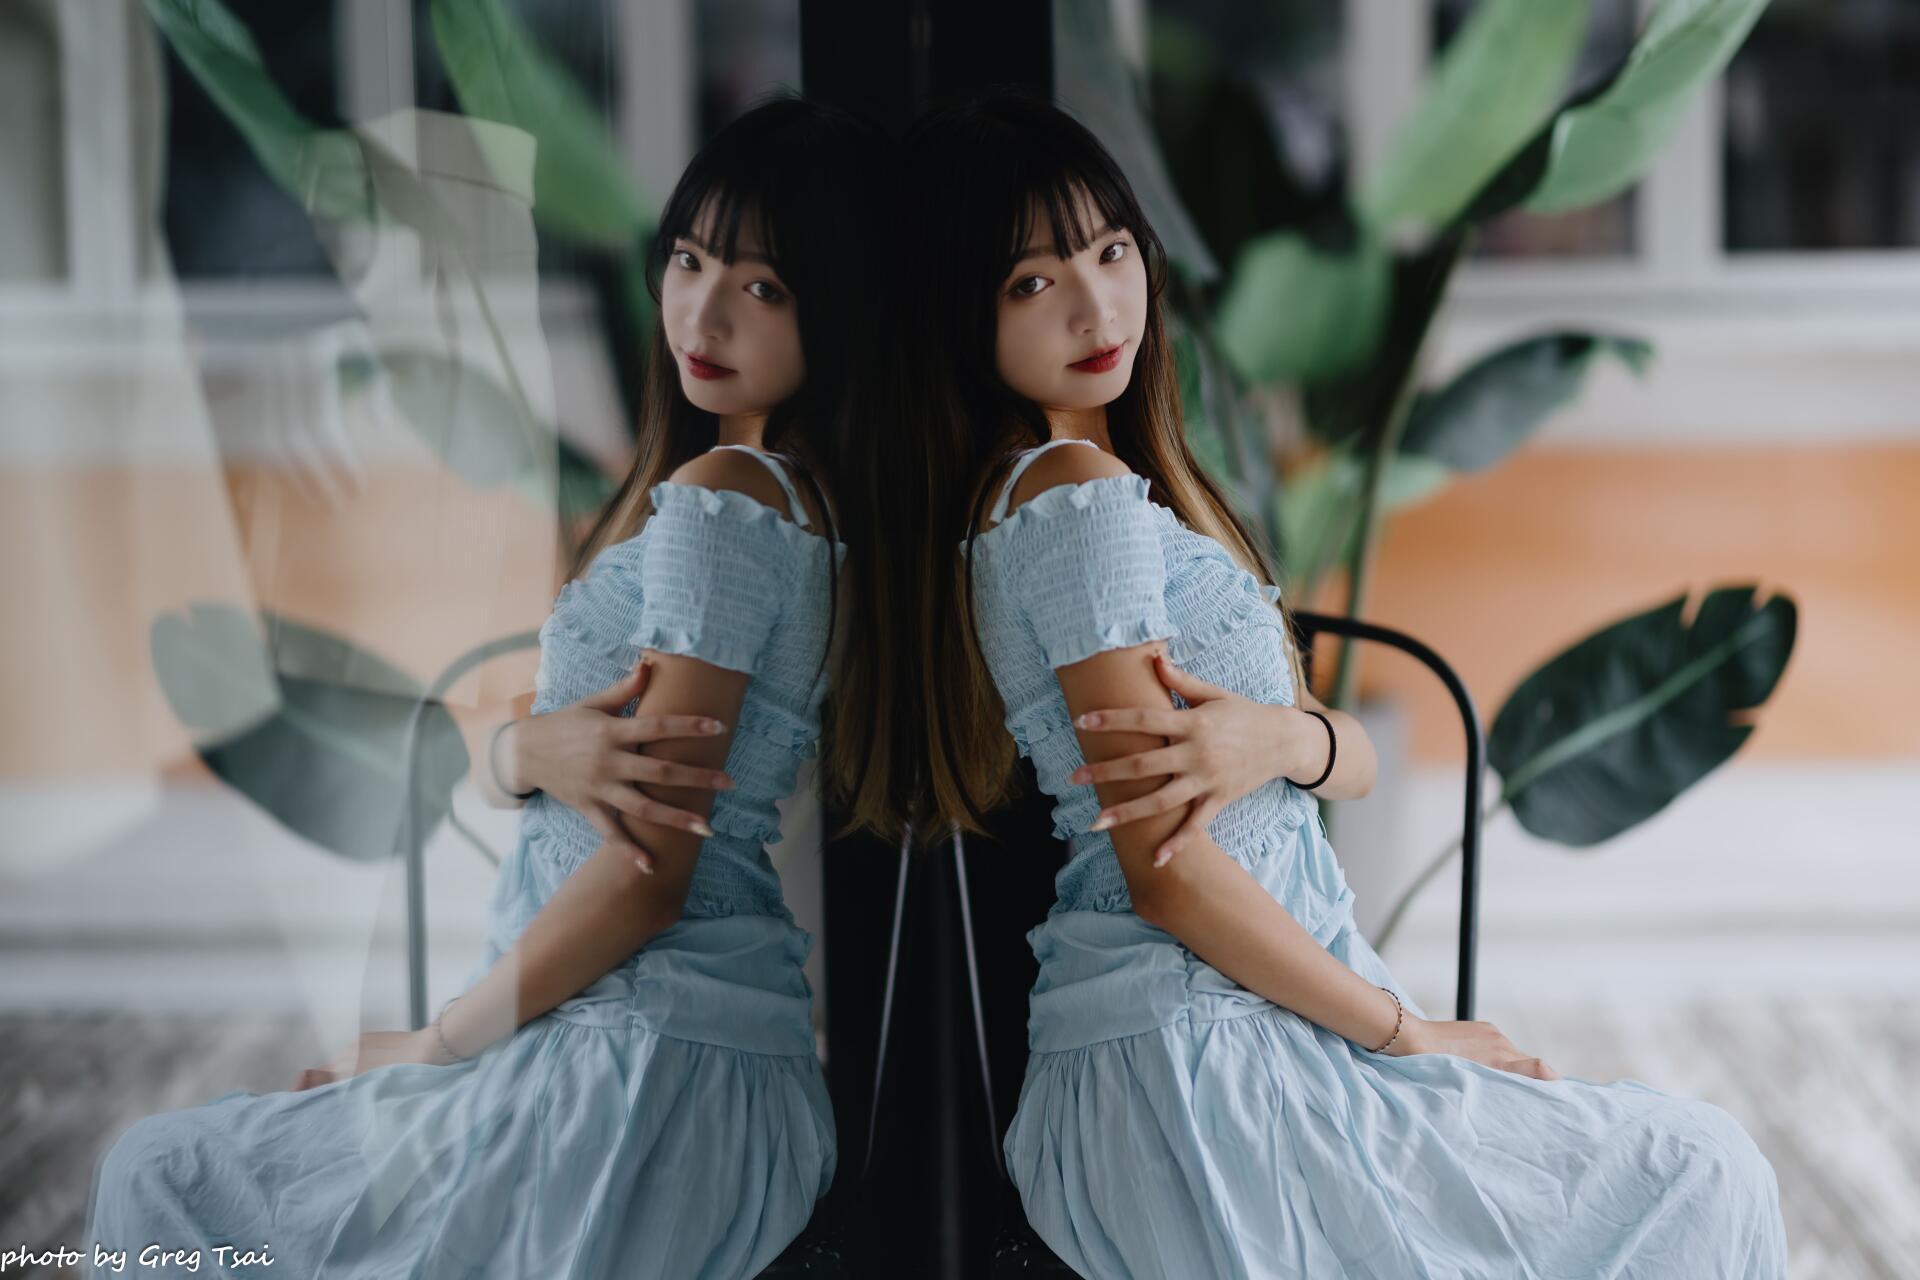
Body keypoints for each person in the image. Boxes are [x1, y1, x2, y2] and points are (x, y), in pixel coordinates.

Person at [907, 87, 1789, 1279]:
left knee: (1689, 1166)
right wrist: (1404, 1031)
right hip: (1201, 1052)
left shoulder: (1132, 485)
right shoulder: (1071, 497)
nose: (1093, 302)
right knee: (1700, 1167)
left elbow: (1353, 756)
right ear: (970, 318)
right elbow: (1166, 873)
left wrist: (1274, 740)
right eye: (1031, 281)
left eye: (1110, 251)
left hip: (1250, 1017)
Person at [85, 90, 899, 1279]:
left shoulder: (728, 501)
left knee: (157, 1177)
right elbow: (572, 759)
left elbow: (645, 874)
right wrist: (531, 753)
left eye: (764, 287)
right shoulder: (783, 498)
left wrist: (434, 1043)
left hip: (637, 1070)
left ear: (836, 314)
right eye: (689, 260)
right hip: (663, 1051)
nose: (704, 310)